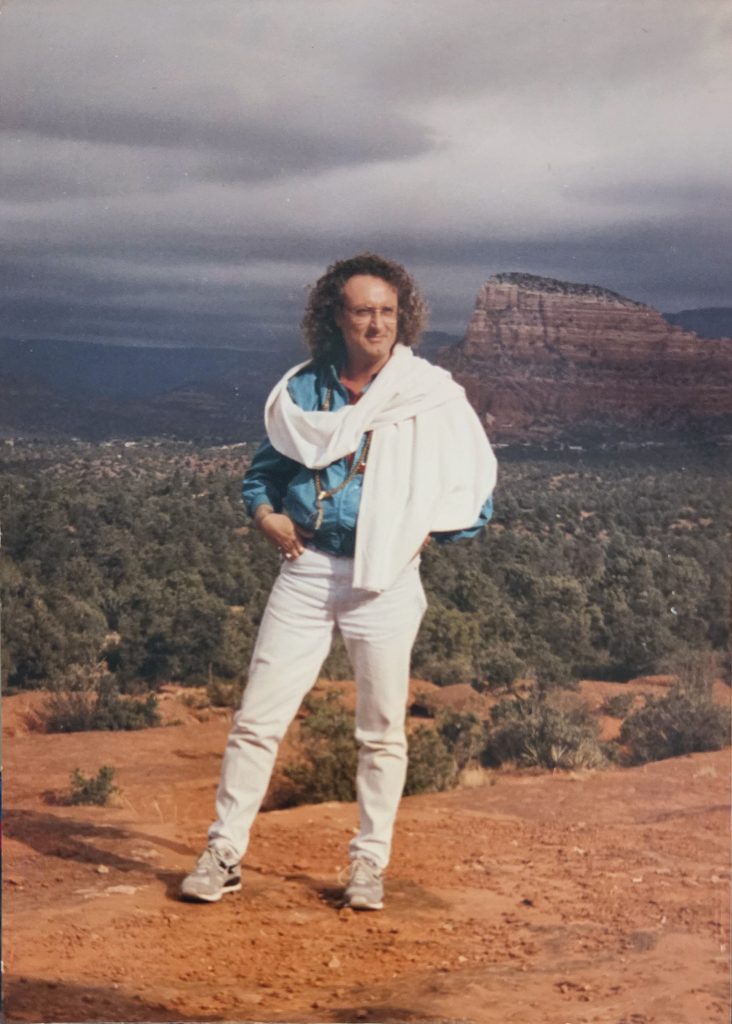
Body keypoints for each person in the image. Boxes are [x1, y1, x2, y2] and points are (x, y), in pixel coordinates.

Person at [181, 252, 497, 910]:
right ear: (336, 316)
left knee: (381, 728)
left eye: (387, 311)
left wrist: (422, 534)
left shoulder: (429, 394)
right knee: (257, 719)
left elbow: (475, 496)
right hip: (306, 567)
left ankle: (368, 864)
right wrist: (265, 516)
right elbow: (262, 476)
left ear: (402, 316)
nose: (377, 323)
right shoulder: (302, 393)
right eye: (362, 311)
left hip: (387, 580)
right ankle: (223, 853)